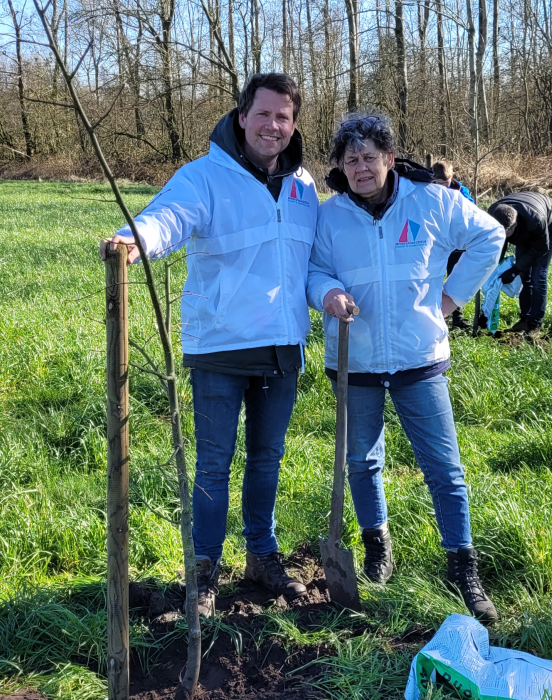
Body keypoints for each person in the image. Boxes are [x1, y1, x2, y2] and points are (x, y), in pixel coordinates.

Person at [102, 73, 317, 617]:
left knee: (267, 460)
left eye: (284, 118)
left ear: (294, 127)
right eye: (264, 114)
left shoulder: (304, 186)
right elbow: (169, 217)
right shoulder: (203, 177)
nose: (274, 126)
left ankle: (261, 555)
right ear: (241, 116)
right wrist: (137, 240)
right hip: (221, 346)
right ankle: (203, 569)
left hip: (282, 347)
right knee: (214, 465)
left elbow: (311, 260)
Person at [307, 114, 506, 623]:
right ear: (341, 168)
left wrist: (451, 299)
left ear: (390, 159)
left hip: (420, 359)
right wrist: (327, 292)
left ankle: (462, 565)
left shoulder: (433, 201)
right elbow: (311, 269)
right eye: (350, 160)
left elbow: (489, 234)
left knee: (444, 468)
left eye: (369, 157)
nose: (360, 168)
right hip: (357, 359)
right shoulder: (329, 217)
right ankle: (378, 549)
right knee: (362, 461)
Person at [487, 192, 552, 336]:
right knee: (524, 275)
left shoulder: (536, 221)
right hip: (525, 222)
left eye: (505, 233)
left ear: (514, 225)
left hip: (550, 223)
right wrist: (493, 266)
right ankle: (524, 319)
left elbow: (540, 248)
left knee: (537, 275)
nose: (502, 236)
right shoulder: (492, 213)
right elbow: (497, 243)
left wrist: (514, 270)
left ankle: (534, 324)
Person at [431, 160, 477, 330]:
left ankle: (457, 317)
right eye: (439, 184)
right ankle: (433, 315)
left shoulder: (461, 191)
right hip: (435, 244)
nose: (443, 187)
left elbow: (470, 210)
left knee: (454, 278)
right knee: (434, 278)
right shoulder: (426, 191)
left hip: (457, 243)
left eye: (446, 183)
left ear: (453, 176)